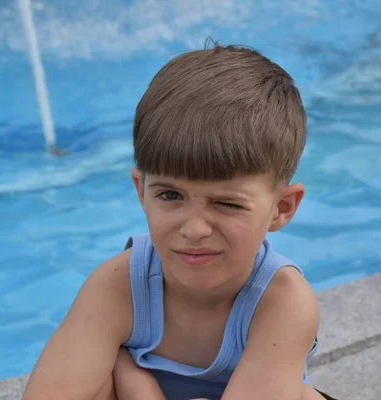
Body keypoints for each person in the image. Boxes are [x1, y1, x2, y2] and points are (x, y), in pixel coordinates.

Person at [22, 42, 337, 400]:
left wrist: (138, 386)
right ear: (142, 191)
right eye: (170, 195)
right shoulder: (119, 286)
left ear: (281, 208)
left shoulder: (281, 302)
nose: (194, 229)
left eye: (226, 203)